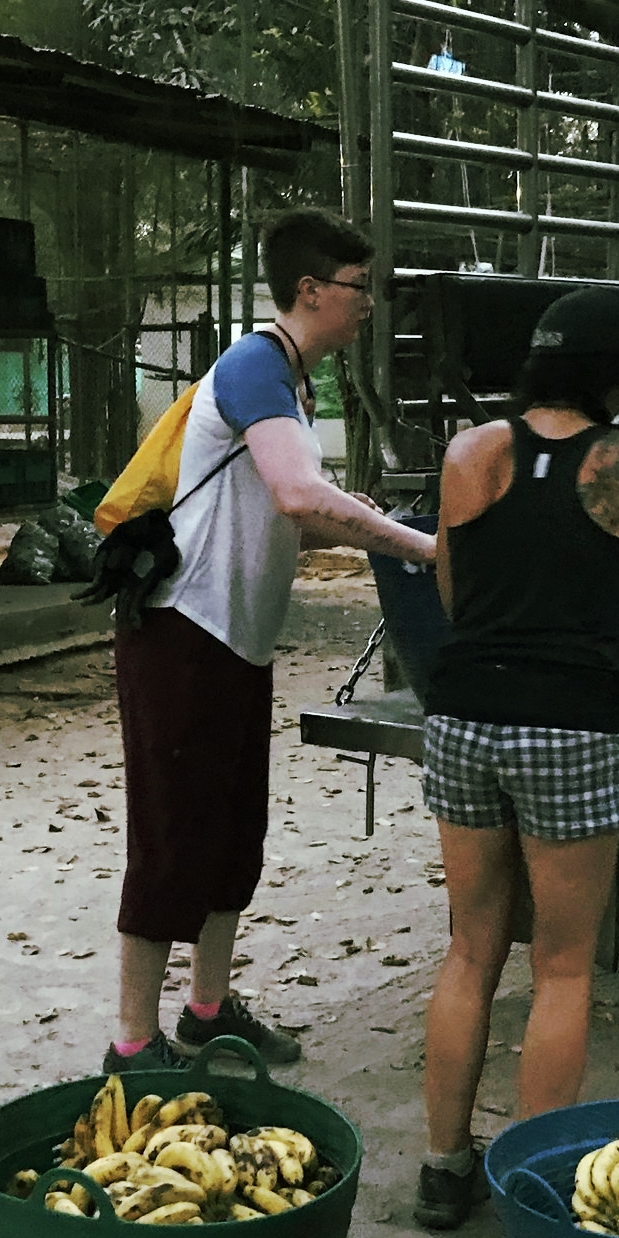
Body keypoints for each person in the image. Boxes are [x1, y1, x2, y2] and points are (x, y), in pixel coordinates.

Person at [106, 207, 438, 1075]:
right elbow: (299, 495)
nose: (368, 305)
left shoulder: (292, 382)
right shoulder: (256, 364)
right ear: (310, 291)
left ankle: (207, 1010)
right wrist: (425, 548)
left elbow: (296, 522)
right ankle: (131, 1041)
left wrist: (389, 535)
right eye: (358, 289)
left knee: (231, 833)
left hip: (236, 643)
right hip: (184, 632)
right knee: (172, 836)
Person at [413, 290, 619, 1228]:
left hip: (463, 713)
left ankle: (442, 1167)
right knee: (565, 965)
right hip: (570, 727)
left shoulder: (470, 451)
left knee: (468, 947)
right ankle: (535, 1193)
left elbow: (454, 596)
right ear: (613, 378)